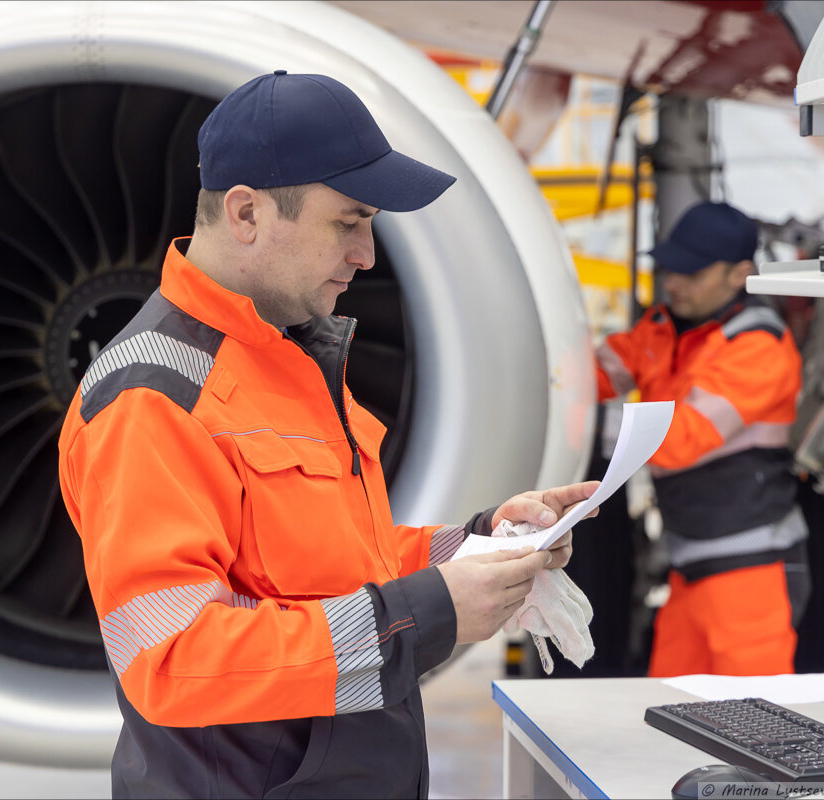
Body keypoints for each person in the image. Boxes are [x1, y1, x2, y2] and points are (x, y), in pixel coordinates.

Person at [58, 70, 599, 799]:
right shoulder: (154, 398)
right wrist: (431, 610)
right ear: (246, 213)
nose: (367, 255)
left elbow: (335, 564)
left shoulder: (281, 356)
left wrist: (482, 544)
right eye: (349, 221)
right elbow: (172, 657)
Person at [594, 201, 810, 678]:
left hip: (749, 570)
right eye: (671, 268)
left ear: (739, 275)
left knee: (756, 727)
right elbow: (599, 371)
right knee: (668, 710)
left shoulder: (756, 348)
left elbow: (680, 441)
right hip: (691, 564)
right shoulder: (665, 328)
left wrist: (584, 429)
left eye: (692, 274)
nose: (673, 283)